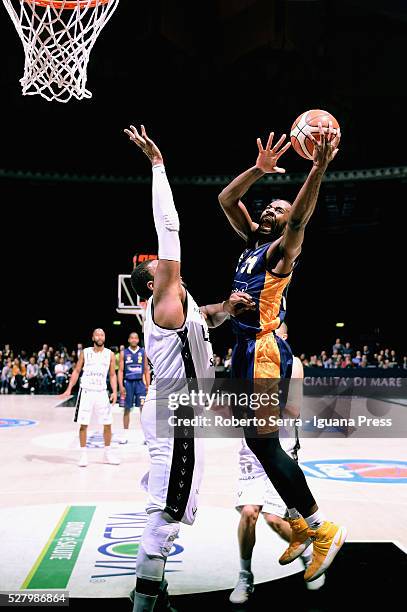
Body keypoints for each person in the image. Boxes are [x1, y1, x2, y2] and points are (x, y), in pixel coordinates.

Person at [123, 124, 255, 612]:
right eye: (160, 265)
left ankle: (154, 592)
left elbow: (207, 320)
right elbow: (170, 228)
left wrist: (227, 309)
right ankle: (144, 600)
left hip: (182, 416)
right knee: (166, 510)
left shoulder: (184, 304)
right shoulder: (161, 299)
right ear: (152, 281)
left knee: (174, 506)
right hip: (175, 415)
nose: (167, 263)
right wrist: (158, 164)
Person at [218, 124, 346, 583]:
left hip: (264, 350)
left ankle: (318, 526)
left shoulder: (279, 252)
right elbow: (225, 201)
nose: (273, 208)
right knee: (259, 442)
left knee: (263, 442)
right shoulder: (250, 243)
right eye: (269, 205)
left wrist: (318, 168)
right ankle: (301, 524)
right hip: (244, 350)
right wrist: (258, 169)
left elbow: (299, 221)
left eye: (281, 205)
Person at [230, 323, 324, 604]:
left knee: (274, 519)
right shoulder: (247, 358)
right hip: (251, 446)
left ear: (282, 338)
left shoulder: (292, 364)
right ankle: (245, 576)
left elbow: (293, 409)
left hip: (280, 446)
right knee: (249, 512)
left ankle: (309, 556)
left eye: (274, 334)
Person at [59, 328, 119, 467]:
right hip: (86, 392)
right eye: (97, 334)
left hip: (102, 392)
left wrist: (114, 391)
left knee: (108, 424)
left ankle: (107, 454)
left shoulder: (109, 354)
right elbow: (77, 370)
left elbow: (112, 375)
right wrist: (69, 389)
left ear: (105, 337)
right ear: (93, 337)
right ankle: (83, 455)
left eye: (102, 334)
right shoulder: (85, 353)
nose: (99, 336)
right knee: (83, 424)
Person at [118, 332, 150, 444]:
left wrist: (148, 385)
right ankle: (125, 435)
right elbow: (120, 371)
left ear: (138, 340)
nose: (134, 339)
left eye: (136, 338)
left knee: (143, 410)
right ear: (128, 340)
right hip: (128, 384)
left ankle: (145, 436)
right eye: (131, 337)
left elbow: (146, 370)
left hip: (140, 384)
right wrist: (121, 386)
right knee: (127, 409)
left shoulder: (143, 352)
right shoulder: (124, 353)